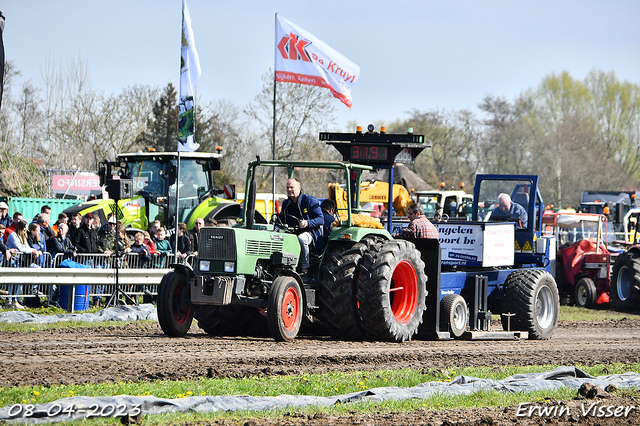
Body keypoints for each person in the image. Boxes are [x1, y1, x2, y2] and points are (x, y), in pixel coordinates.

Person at [278, 178, 323, 275]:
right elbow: (280, 219)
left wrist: (307, 223)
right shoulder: (286, 203)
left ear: (299, 187)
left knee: (301, 239)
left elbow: (321, 219)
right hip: (291, 232)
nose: (289, 190)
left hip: (309, 232)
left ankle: (304, 268)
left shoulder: (309, 201)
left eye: (292, 187)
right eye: (287, 188)